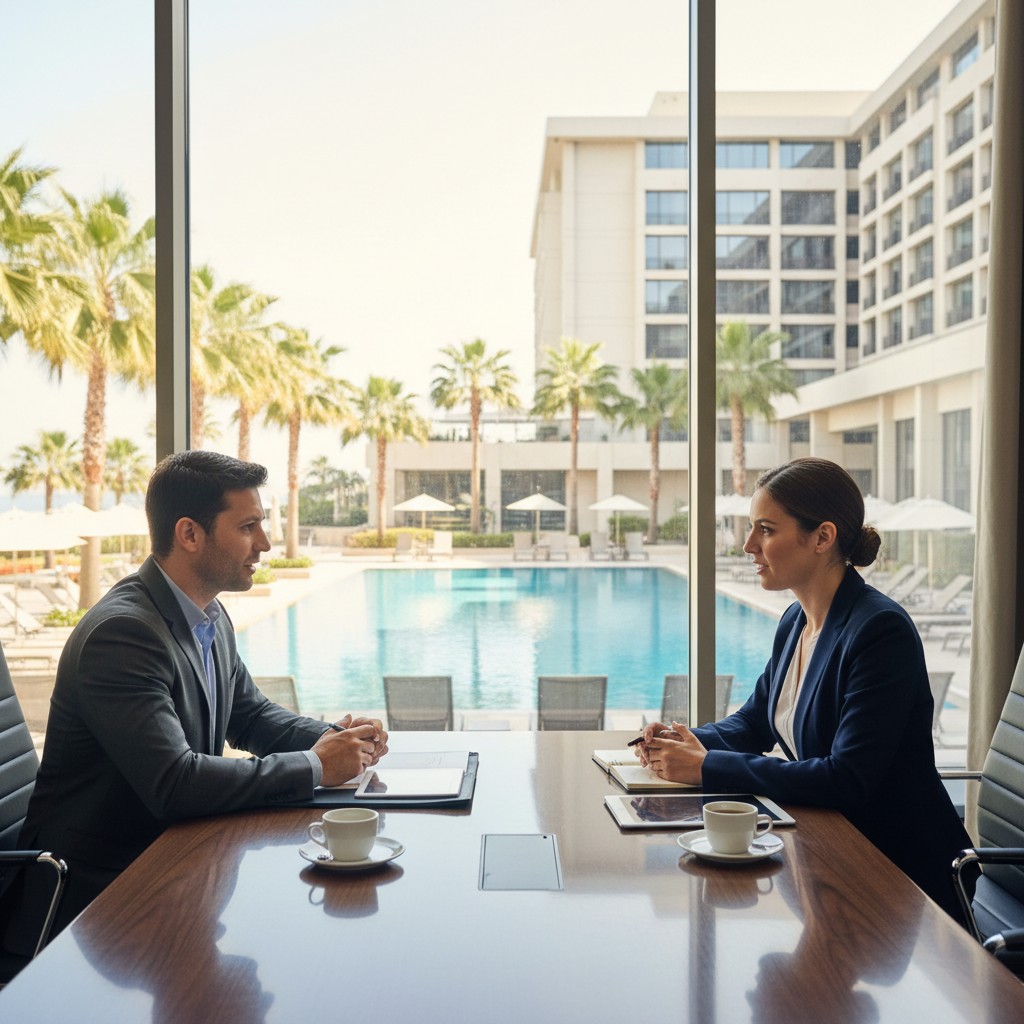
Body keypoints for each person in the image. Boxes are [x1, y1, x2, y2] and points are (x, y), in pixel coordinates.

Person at [3, 450, 388, 950]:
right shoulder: (123, 634)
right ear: (189, 534)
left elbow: (249, 715)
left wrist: (339, 740)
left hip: (170, 861)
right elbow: (175, 782)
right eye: (248, 527)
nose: (265, 543)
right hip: (94, 898)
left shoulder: (208, 615)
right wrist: (316, 766)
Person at [638, 457, 971, 923]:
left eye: (766, 530)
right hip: (830, 855)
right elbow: (755, 721)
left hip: (899, 876)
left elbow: (845, 779)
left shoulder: (880, 632)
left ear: (822, 537)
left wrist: (707, 766)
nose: (748, 545)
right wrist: (685, 742)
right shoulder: (796, 620)